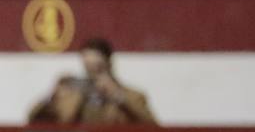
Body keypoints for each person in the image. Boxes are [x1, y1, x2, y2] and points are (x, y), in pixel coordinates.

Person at [27, 38, 158, 124]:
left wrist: (118, 96)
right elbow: (33, 118)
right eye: (88, 68)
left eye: (98, 68)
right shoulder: (73, 94)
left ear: (109, 64)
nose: (94, 75)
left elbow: (151, 124)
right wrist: (52, 96)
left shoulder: (132, 96)